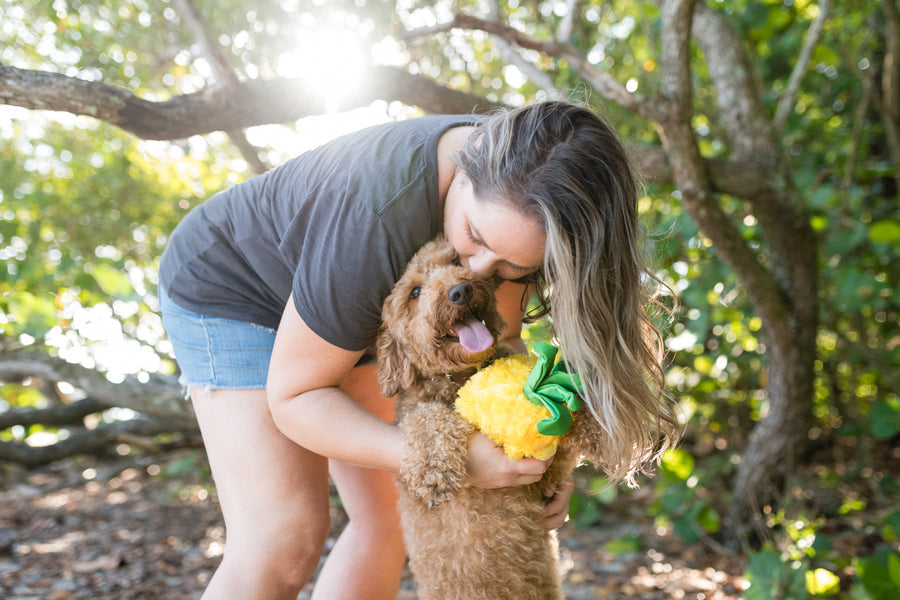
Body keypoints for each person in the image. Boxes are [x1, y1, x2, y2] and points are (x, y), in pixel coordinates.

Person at [157, 100, 679, 600]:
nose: (478, 272)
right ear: (466, 168)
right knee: (282, 541)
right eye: (473, 235)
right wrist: (445, 456)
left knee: (388, 520)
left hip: (355, 311)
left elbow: (498, 350)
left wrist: (538, 465)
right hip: (232, 289)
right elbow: (296, 396)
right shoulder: (375, 215)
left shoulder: (536, 184)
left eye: (509, 269)